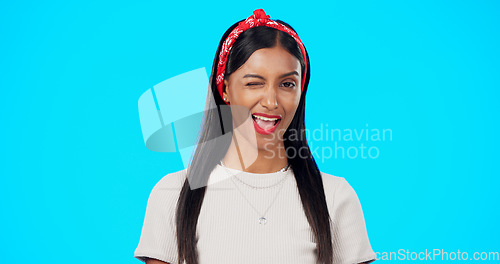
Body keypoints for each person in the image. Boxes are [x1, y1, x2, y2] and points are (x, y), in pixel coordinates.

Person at [134, 9, 377, 264]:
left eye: (287, 84)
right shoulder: (173, 193)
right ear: (225, 89)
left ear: (300, 91)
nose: (271, 102)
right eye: (254, 83)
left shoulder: (335, 197)